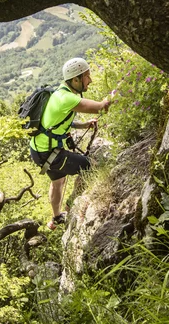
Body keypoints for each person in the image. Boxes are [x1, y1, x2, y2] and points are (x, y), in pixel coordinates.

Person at [30, 57, 110, 230]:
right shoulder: (66, 98)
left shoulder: (59, 93)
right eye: (87, 76)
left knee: (58, 182)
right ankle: (71, 206)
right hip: (49, 153)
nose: (91, 80)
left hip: (39, 150)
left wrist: (83, 124)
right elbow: (100, 107)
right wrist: (113, 96)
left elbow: (58, 123)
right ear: (76, 79)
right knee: (90, 167)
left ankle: (57, 216)